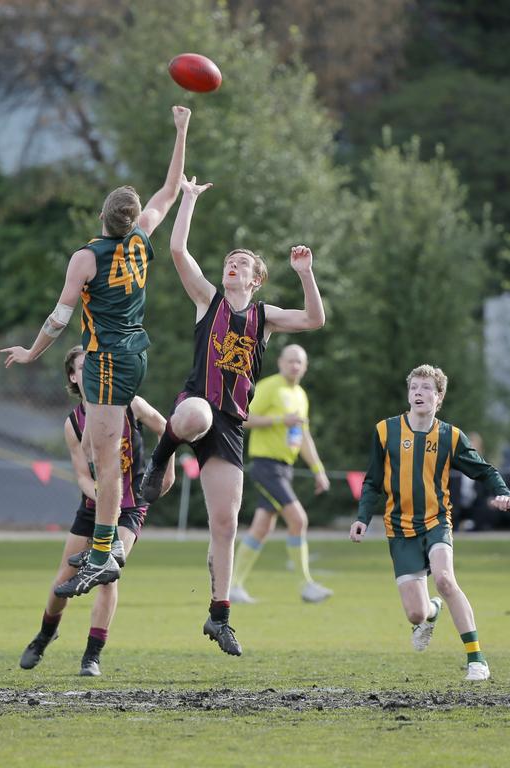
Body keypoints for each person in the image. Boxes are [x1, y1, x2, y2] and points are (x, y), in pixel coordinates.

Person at [2, 105, 191, 597]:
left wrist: (32, 352)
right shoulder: (141, 239)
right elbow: (169, 191)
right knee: (94, 448)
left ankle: (103, 553)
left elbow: (59, 317)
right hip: (135, 353)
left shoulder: (86, 257)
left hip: (107, 360)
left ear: (101, 217)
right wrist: (182, 130)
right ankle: (105, 541)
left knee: (106, 461)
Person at [138, 175, 325, 656]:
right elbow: (178, 251)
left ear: (256, 278)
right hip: (197, 406)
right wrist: (190, 200)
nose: (232, 267)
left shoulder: (264, 316)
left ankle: (220, 617)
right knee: (196, 413)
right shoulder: (208, 300)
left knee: (225, 523)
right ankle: (160, 459)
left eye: (240, 264)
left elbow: (314, 320)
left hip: (232, 427)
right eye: (228, 263)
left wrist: (305, 273)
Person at [349, 364, 510, 681]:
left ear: (438, 397)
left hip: (436, 521)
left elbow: (484, 470)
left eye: (426, 388)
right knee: (415, 613)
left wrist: (502, 492)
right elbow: (372, 482)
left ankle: (476, 660)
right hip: (399, 528)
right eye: (414, 388)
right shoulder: (386, 431)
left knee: (445, 579)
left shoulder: (450, 436)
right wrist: (361, 519)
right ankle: (432, 612)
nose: (418, 393)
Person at [19, 346, 175, 676]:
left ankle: (92, 655)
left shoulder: (130, 403)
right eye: (82, 368)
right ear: (74, 377)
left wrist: (166, 471)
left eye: (94, 366)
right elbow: (82, 476)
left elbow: (167, 429)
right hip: (93, 506)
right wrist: (104, 498)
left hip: (131, 506)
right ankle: (45, 635)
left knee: (108, 573)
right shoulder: (73, 423)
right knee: (64, 578)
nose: (90, 372)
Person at [231, 344, 332, 604]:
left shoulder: (300, 395)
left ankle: (233, 586)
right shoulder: (269, 387)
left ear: (306, 366)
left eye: (299, 362)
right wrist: (278, 421)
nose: (295, 366)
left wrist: (318, 470)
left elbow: (304, 435)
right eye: (290, 361)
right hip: (266, 465)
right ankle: (306, 585)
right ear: (280, 362)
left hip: (285, 468)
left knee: (262, 527)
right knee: (298, 520)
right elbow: (243, 417)